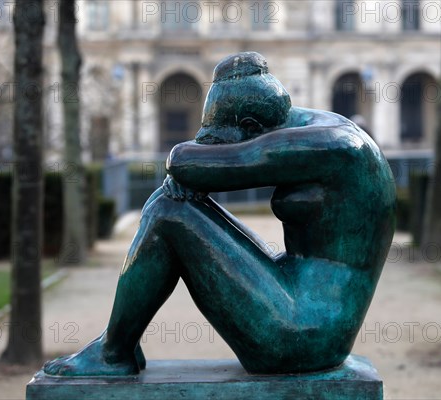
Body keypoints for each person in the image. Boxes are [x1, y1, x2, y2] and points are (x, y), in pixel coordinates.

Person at [44, 52, 396, 376]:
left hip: (304, 334)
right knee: (171, 205)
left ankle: (114, 352)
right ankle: (118, 346)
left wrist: (191, 172)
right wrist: (190, 177)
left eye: (227, 140)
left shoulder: (330, 145)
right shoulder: (310, 125)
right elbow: (194, 170)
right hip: (297, 301)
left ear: (250, 125)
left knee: (170, 211)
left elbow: (184, 161)